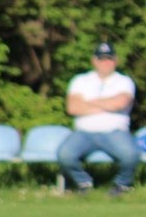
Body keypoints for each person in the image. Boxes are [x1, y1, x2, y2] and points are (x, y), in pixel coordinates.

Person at [57, 42, 140, 196]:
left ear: (115, 60)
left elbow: (120, 103)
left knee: (130, 155)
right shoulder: (80, 80)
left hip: (115, 131)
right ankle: (83, 182)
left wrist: (88, 102)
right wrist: (107, 104)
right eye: (101, 59)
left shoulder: (124, 81)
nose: (105, 63)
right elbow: (73, 108)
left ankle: (122, 185)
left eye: (109, 59)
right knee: (65, 155)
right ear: (94, 60)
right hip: (83, 132)